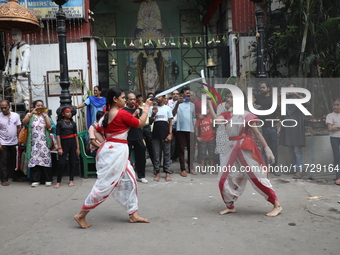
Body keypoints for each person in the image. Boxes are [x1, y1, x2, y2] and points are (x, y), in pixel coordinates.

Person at [74, 87, 152, 228]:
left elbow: (96, 129)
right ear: (115, 99)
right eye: (123, 97)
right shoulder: (121, 114)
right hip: (115, 152)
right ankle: (81, 215)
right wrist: (146, 107)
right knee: (104, 185)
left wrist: (102, 144)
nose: (125, 100)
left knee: (131, 180)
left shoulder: (107, 114)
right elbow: (140, 123)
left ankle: (133, 214)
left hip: (114, 151)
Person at [207, 94, 282, 217]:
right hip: (231, 149)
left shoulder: (247, 115)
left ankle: (277, 205)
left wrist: (267, 149)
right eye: (228, 97)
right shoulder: (226, 115)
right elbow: (215, 121)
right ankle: (230, 206)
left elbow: (257, 133)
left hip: (245, 148)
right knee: (223, 179)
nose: (228, 99)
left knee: (257, 177)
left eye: (231, 97)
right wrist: (209, 104)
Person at [22, 100, 53, 187]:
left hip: (44, 142)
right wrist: (32, 113)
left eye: (41, 105)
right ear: (34, 106)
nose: (40, 107)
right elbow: (24, 122)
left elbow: (49, 126)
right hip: (33, 143)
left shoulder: (45, 116)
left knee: (46, 160)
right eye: (38, 105)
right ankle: (36, 180)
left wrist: (46, 116)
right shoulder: (31, 115)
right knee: (35, 161)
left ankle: (47, 179)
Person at [279, 83, 306, 179]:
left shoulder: (299, 100)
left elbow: (307, 103)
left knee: (297, 150)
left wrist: (296, 94)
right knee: (290, 149)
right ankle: (293, 168)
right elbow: (277, 106)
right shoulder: (284, 100)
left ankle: (299, 171)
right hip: (287, 128)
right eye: (288, 89)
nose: (290, 91)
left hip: (297, 129)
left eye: (292, 89)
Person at [123, 93, 148, 184]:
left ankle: (141, 176)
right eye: (131, 99)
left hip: (138, 136)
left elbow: (142, 122)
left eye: (134, 99)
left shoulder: (139, 110)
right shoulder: (123, 111)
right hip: (127, 137)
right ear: (127, 100)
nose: (133, 101)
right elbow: (126, 123)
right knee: (126, 157)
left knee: (141, 157)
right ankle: (126, 176)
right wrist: (134, 114)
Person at [149, 90, 173, 182]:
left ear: (163, 97)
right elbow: (150, 122)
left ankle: (167, 173)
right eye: (156, 97)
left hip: (166, 134)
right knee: (156, 154)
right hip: (155, 135)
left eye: (159, 96)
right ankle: (157, 172)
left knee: (167, 154)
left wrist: (170, 134)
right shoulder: (153, 108)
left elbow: (170, 122)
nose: (157, 98)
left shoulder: (167, 108)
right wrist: (153, 114)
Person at [3, 29, 31, 110]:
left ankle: (27, 108)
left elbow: (26, 58)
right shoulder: (12, 47)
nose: (14, 36)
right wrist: (6, 69)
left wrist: (24, 68)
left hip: (22, 73)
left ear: (20, 35)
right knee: (16, 91)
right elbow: (9, 59)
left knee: (25, 91)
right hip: (13, 74)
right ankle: (16, 107)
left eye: (16, 34)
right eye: (12, 34)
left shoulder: (26, 46)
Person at [172, 87, 196, 177]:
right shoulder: (177, 103)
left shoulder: (192, 105)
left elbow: (193, 117)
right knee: (181, 149)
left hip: (191, 129)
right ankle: (183, 169)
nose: (189, 95)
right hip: (180, 129)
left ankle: (191, 168)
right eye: (187, 93)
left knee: (191, 150)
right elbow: (173, 114)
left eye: (189, 93)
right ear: (182, 95)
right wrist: (178, 103)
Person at [53, 107, 80, 189]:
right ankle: (58, 181)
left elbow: (76, 136)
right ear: (63, 114)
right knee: (61, 163)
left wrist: (77, 148)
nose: (69, 114)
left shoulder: (73, 123)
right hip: (63, 143)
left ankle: (71, 180)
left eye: (70, 112)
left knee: (72, 162)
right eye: (67, 112)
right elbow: (58, 136)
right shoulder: (60, 123)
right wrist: (59, 147)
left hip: (72, 143)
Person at [256, 82, 280, 173]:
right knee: (263, 148)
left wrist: (279, 122)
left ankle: (275, 168)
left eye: (263, 87)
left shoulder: (273, 99)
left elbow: (279, 110)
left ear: (268, 88)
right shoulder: (258, 99)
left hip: (272, 127)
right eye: (260, 88)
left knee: (274, 148)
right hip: (262, 127)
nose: (261, 89)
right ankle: (265, 168)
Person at [0, 100, 21, 186]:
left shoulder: (15, 115)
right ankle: (4, 179)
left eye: (5, 107)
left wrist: (19, 139)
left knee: (14, 161)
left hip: (14, 142)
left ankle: (15, 177)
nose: (3, 109)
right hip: (3, 142)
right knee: (3, 161)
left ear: (9, 106)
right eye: (2, 108)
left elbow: (18, 127)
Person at [195, 108, 215, 173]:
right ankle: (202, 168)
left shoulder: (212, 117)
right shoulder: (200, 118)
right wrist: (197, 136)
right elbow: (196, 127)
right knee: (202, 155)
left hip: (211, 138)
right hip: (203, 139)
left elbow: (216, 125)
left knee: (211, 154)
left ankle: (212, 168)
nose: (206, 111)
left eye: (207, 109)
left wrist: (215, 130)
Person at [326, 98, 340, 185]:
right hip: (334, 138)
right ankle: (338, 176)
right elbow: (330, 128)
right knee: (337, 157)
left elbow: (333, 127)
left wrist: (336, 127)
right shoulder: (330, 116)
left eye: (337, 105)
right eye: (334, 105)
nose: (335, 106)